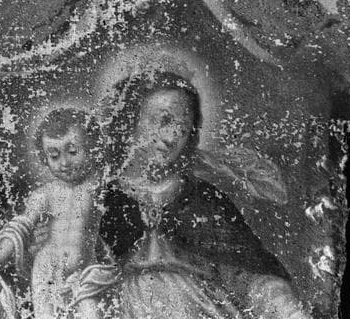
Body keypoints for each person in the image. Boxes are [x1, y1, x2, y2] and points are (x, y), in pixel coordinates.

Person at [98, 70, 309, 319]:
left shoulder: (205, 199)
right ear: (130, 121)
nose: (171, 137)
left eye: (182, 127)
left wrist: (288, 310)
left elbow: (250, 277)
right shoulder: (105, 200)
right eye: (163, 121)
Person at [0, 107, 118, 318]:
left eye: (73, 152)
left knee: (92, 314)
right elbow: (20, 227)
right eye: (54, 155)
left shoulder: (96, 187)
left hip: (85, 273)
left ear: (92, 149)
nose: (64, 163)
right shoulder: (44, 194)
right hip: (47, 271)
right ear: (44, 158)